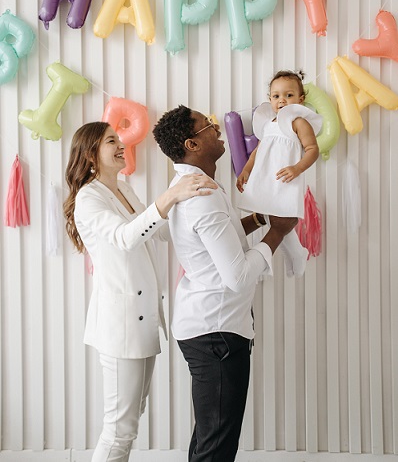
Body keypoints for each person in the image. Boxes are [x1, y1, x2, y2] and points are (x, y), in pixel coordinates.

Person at [63, 121, 217, 462]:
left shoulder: (124, 188)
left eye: (119, 139)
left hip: (143, 323)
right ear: (90, 153)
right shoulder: (88, 198)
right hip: (121, 327)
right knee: (120, 429)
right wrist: (171, 195)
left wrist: (187, 203)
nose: (121, 145)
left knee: (130, 420)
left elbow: (157, 233)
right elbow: (125, 236)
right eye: (111, 141)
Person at [153, 105, 295, 462]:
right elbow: (238, 276)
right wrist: (276, 234)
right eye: (208, 126)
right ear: (192, 144)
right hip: (215, 333)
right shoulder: (202, 197)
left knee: (208, 438)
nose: (217, 130)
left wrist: (259, 218)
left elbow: (218, 244)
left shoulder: (198, 188)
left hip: (209, 328)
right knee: (216, 446)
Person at [236, 70, 322, 277]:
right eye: (276, 96)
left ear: (300, 99)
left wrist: (297, 168)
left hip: (286, 178)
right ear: (270, 100)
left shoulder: (298, 122)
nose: (282, 100)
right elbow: (259, 150)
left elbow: (312, 149)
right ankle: (296, 253)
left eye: (288, 95)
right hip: (267, 178)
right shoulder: (269, 125)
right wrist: (247, 169)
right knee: (273, 217)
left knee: (281, 219)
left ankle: (292, 255)